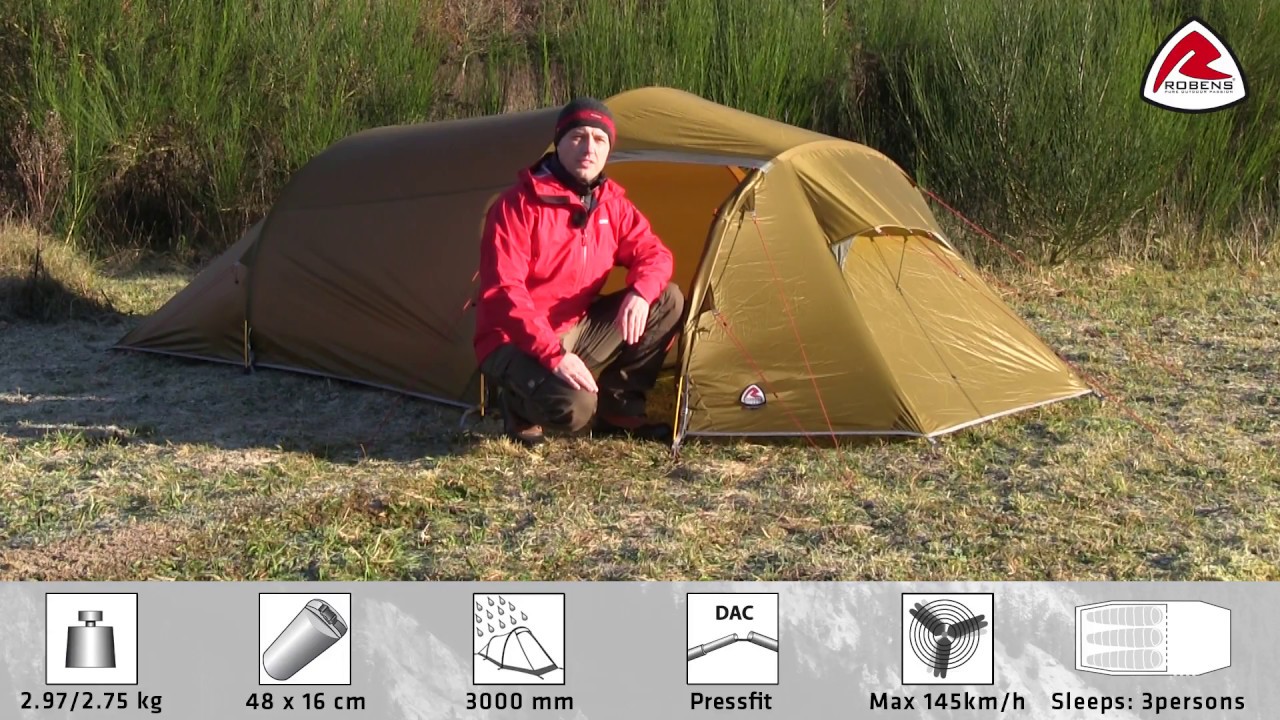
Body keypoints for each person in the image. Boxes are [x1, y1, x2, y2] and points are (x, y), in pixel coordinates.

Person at [473, 97, 684, 446]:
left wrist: (641, 292)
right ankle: (516, 405)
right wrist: (553, 355)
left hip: (575, 327)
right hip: (512, 339)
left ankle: (620, 410)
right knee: (575, 409)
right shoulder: (517, 205)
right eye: (578, 137)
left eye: (599, 139)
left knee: (667, 298)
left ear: (609, 149)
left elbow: (655, 254)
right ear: (559, 143)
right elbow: (504, 291)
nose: (589, 148)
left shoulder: (611, 205)